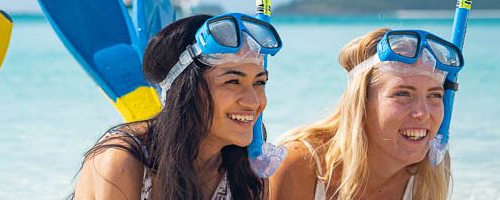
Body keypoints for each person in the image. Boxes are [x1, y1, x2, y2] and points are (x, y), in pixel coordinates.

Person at [72, 13, 282, 200]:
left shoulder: (245, 171)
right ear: (183, 89)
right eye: (232, 82)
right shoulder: (122, 162)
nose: (253, 102)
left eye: (259, 82)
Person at [269, 28, 462, 200]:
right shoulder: (301, 165)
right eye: (402, 94)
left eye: (435, 95)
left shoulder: (431, 169)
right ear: (361, 102)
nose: (422, 113)